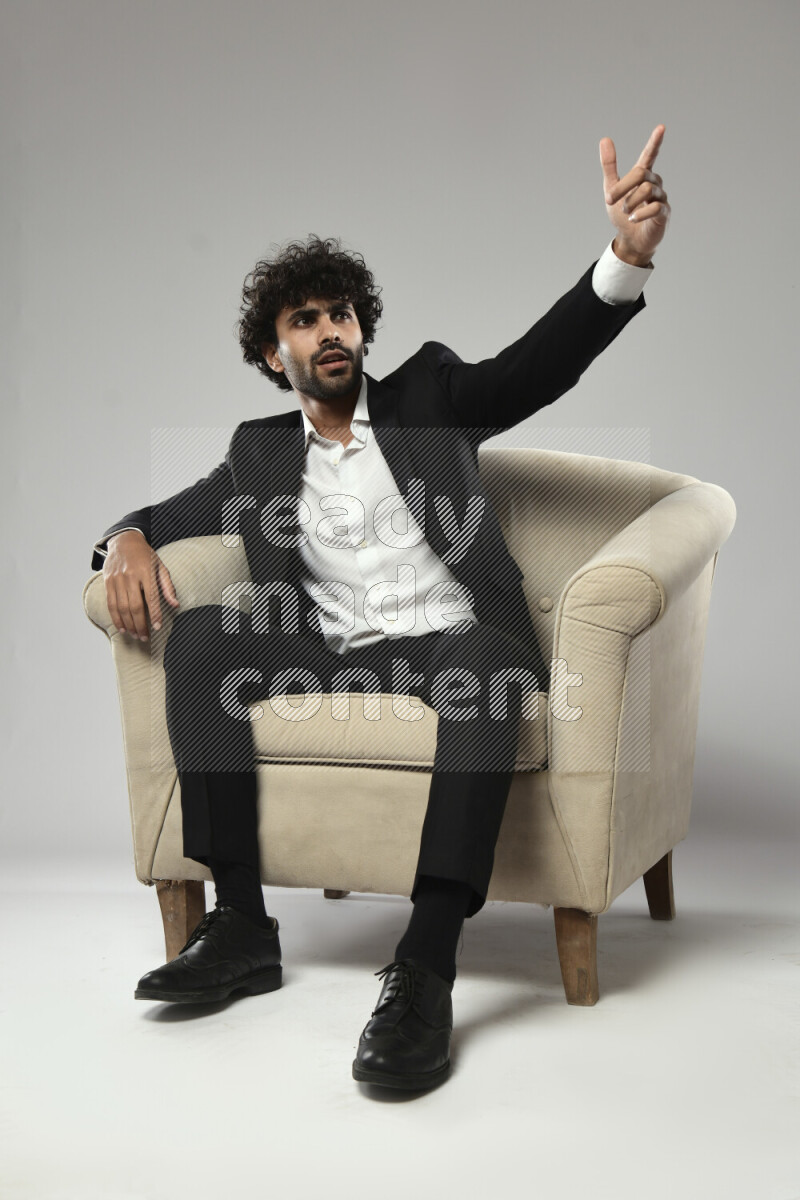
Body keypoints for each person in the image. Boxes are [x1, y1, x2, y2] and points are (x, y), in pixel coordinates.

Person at [92, 126, 670, 1091]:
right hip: (332, 651)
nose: (329, 331)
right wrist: (126, 538)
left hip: (447, 646)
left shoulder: (430, 398)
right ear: (275, 357)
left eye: (341, 314)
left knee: (488, 668)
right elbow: (166, 515)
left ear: (363, 330)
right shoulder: (258, 451)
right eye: (305, 322)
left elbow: (538, 366)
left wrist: (625, 259)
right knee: (200, 640)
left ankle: (427, 966)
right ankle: (240, 926)